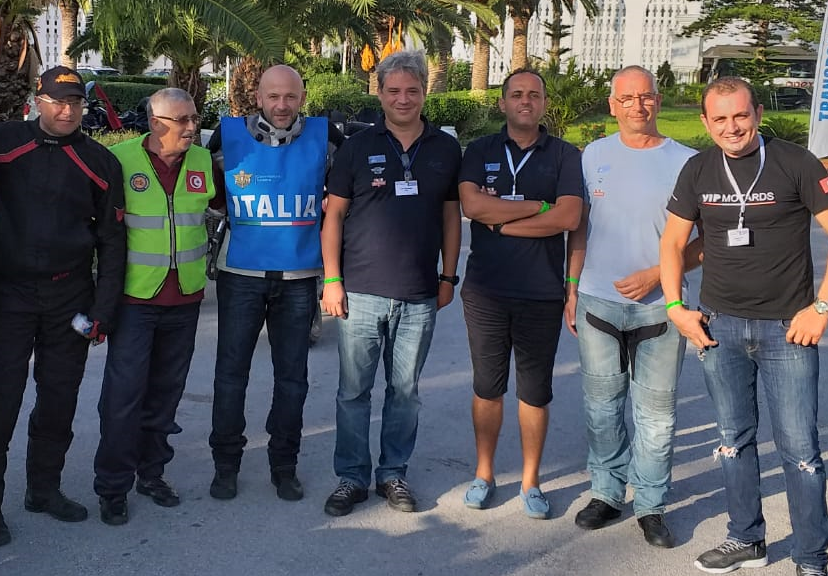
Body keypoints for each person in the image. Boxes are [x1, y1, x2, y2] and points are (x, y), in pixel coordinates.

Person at [660, 76, 828, 576]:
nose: (732, 128)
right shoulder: (698, 170)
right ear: (705, 122)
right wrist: (675, 306)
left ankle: (811, 560)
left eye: (740, 116)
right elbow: (673, 242)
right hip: (718, 327)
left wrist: (821, 307)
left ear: (758, 113)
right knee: (733, 440)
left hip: (786, 331)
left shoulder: (796, 163)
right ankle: (746, 538)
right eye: (720, 119)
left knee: (800, 452)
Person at [0, 65, 126, 544]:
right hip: (9, 295)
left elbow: (112, 241)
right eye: (57, 102)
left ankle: (44, 489)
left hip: (69, 297)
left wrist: (104, 309)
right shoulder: (2, 142)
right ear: (37, 101)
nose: (66, 111)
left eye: (75, 103)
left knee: (59, 400)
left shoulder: (100, 161)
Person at [321, 49, 462, 516]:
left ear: (424, 92)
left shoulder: (445, 149)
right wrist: (332, 279)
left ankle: (392, 473)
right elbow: (333, 216)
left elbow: (451, 218)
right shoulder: (357, 147)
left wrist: (448, 276)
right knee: (353, 392)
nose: (403, 99)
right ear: (379, 93)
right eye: (394, 90)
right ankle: (351, 477)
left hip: (419, 293)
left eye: (412, 90)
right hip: (359, 291)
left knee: (405, 392)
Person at [564, 66, 699, 548]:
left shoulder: (687, 162)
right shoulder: (593, 156)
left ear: (658, 101)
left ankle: (651, 503)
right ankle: (606, 492)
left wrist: (656, 275)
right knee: (602, 407)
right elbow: (581, 225)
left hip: (662, 307)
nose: (636, 106)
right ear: (612, 105)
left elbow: (706, 242)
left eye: (645, 97)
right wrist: (572, 285)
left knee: (656, 413)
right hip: (597, 302)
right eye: (626, 98)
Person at [456, 69, 583, 519]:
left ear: (544, 103)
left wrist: (502, 223)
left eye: (533, 95)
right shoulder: (480, 150)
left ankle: (531, 481)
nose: (525, 101)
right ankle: (484, 474)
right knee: (487, 387)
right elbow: (472, 205)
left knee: (535, 392)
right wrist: (539, 207)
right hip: (485, 292)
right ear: (502, 103)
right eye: (516, 94)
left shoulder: (565, 155)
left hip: (541, 293)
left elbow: (569, 218)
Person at [207, 64, 329, 503]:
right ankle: (226, 465)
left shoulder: (328, 139)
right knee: (230, 376)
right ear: (257, 97)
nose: (281, 105)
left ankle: (284, 466)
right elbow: (208, 197)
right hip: (241, 275)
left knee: (292, 379)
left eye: (290, 96)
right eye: (273, 96)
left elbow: (344, 202)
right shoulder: (225, 138)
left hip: (298, 278)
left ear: (302, 98)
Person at [94, 87, 214, 525]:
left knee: (166, 393)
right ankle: (113, 486)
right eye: (183, 120)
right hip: (136, 300)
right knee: (123, 396)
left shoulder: (203, 161)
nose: (192, 127)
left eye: (194, 118)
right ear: (155, 123)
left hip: (185, 298)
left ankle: (152, 473)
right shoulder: (120, 159)